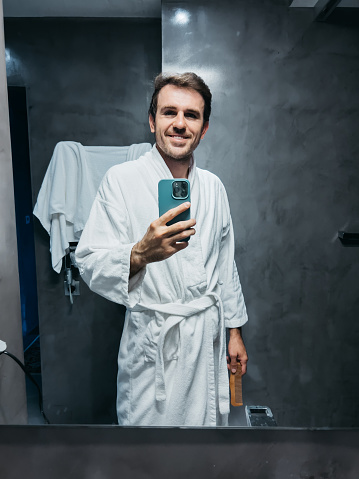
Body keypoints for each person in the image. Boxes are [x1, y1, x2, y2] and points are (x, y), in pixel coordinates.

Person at [75, 72, 248, 427]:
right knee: (147, 453)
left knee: (204, 449)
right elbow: (89, 261)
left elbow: (226, 264)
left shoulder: (214, 187)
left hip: (206, 342)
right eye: (170, 112)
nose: (180, 124)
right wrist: (140, 253)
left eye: (192, 115)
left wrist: (234, 333)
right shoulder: (121, 181)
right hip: (153, 347)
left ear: (204, 128)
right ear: (152, 121)